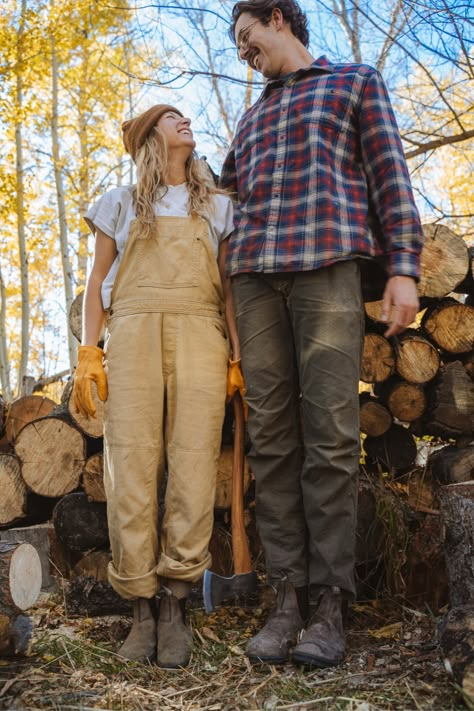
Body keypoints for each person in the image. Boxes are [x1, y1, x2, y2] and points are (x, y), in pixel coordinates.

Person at [220, 0, 423, 668]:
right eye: (240, 51)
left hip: (327, 269)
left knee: (331, 436)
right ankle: (286, 599)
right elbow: (226, 204)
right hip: (253, 281)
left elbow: (390, 174)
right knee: (273, 438)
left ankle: (332, 604)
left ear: (278, 18)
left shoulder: (354, 82)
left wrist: (404, 267)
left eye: (249, 40)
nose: (245, 56)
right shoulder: (251, 116)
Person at [73, 104, 240, 668]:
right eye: (171, 118)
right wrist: (90, 351)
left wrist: (236, 357)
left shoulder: (217, 205)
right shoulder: (118, 203)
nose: (185, 121)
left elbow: (230, 290)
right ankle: (140, 606)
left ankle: (176, 603)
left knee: (192, 465)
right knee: (131, 469)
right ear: (150, 137)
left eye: (185, 116)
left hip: (200, 332)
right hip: (135, 331)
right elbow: (98, 280)